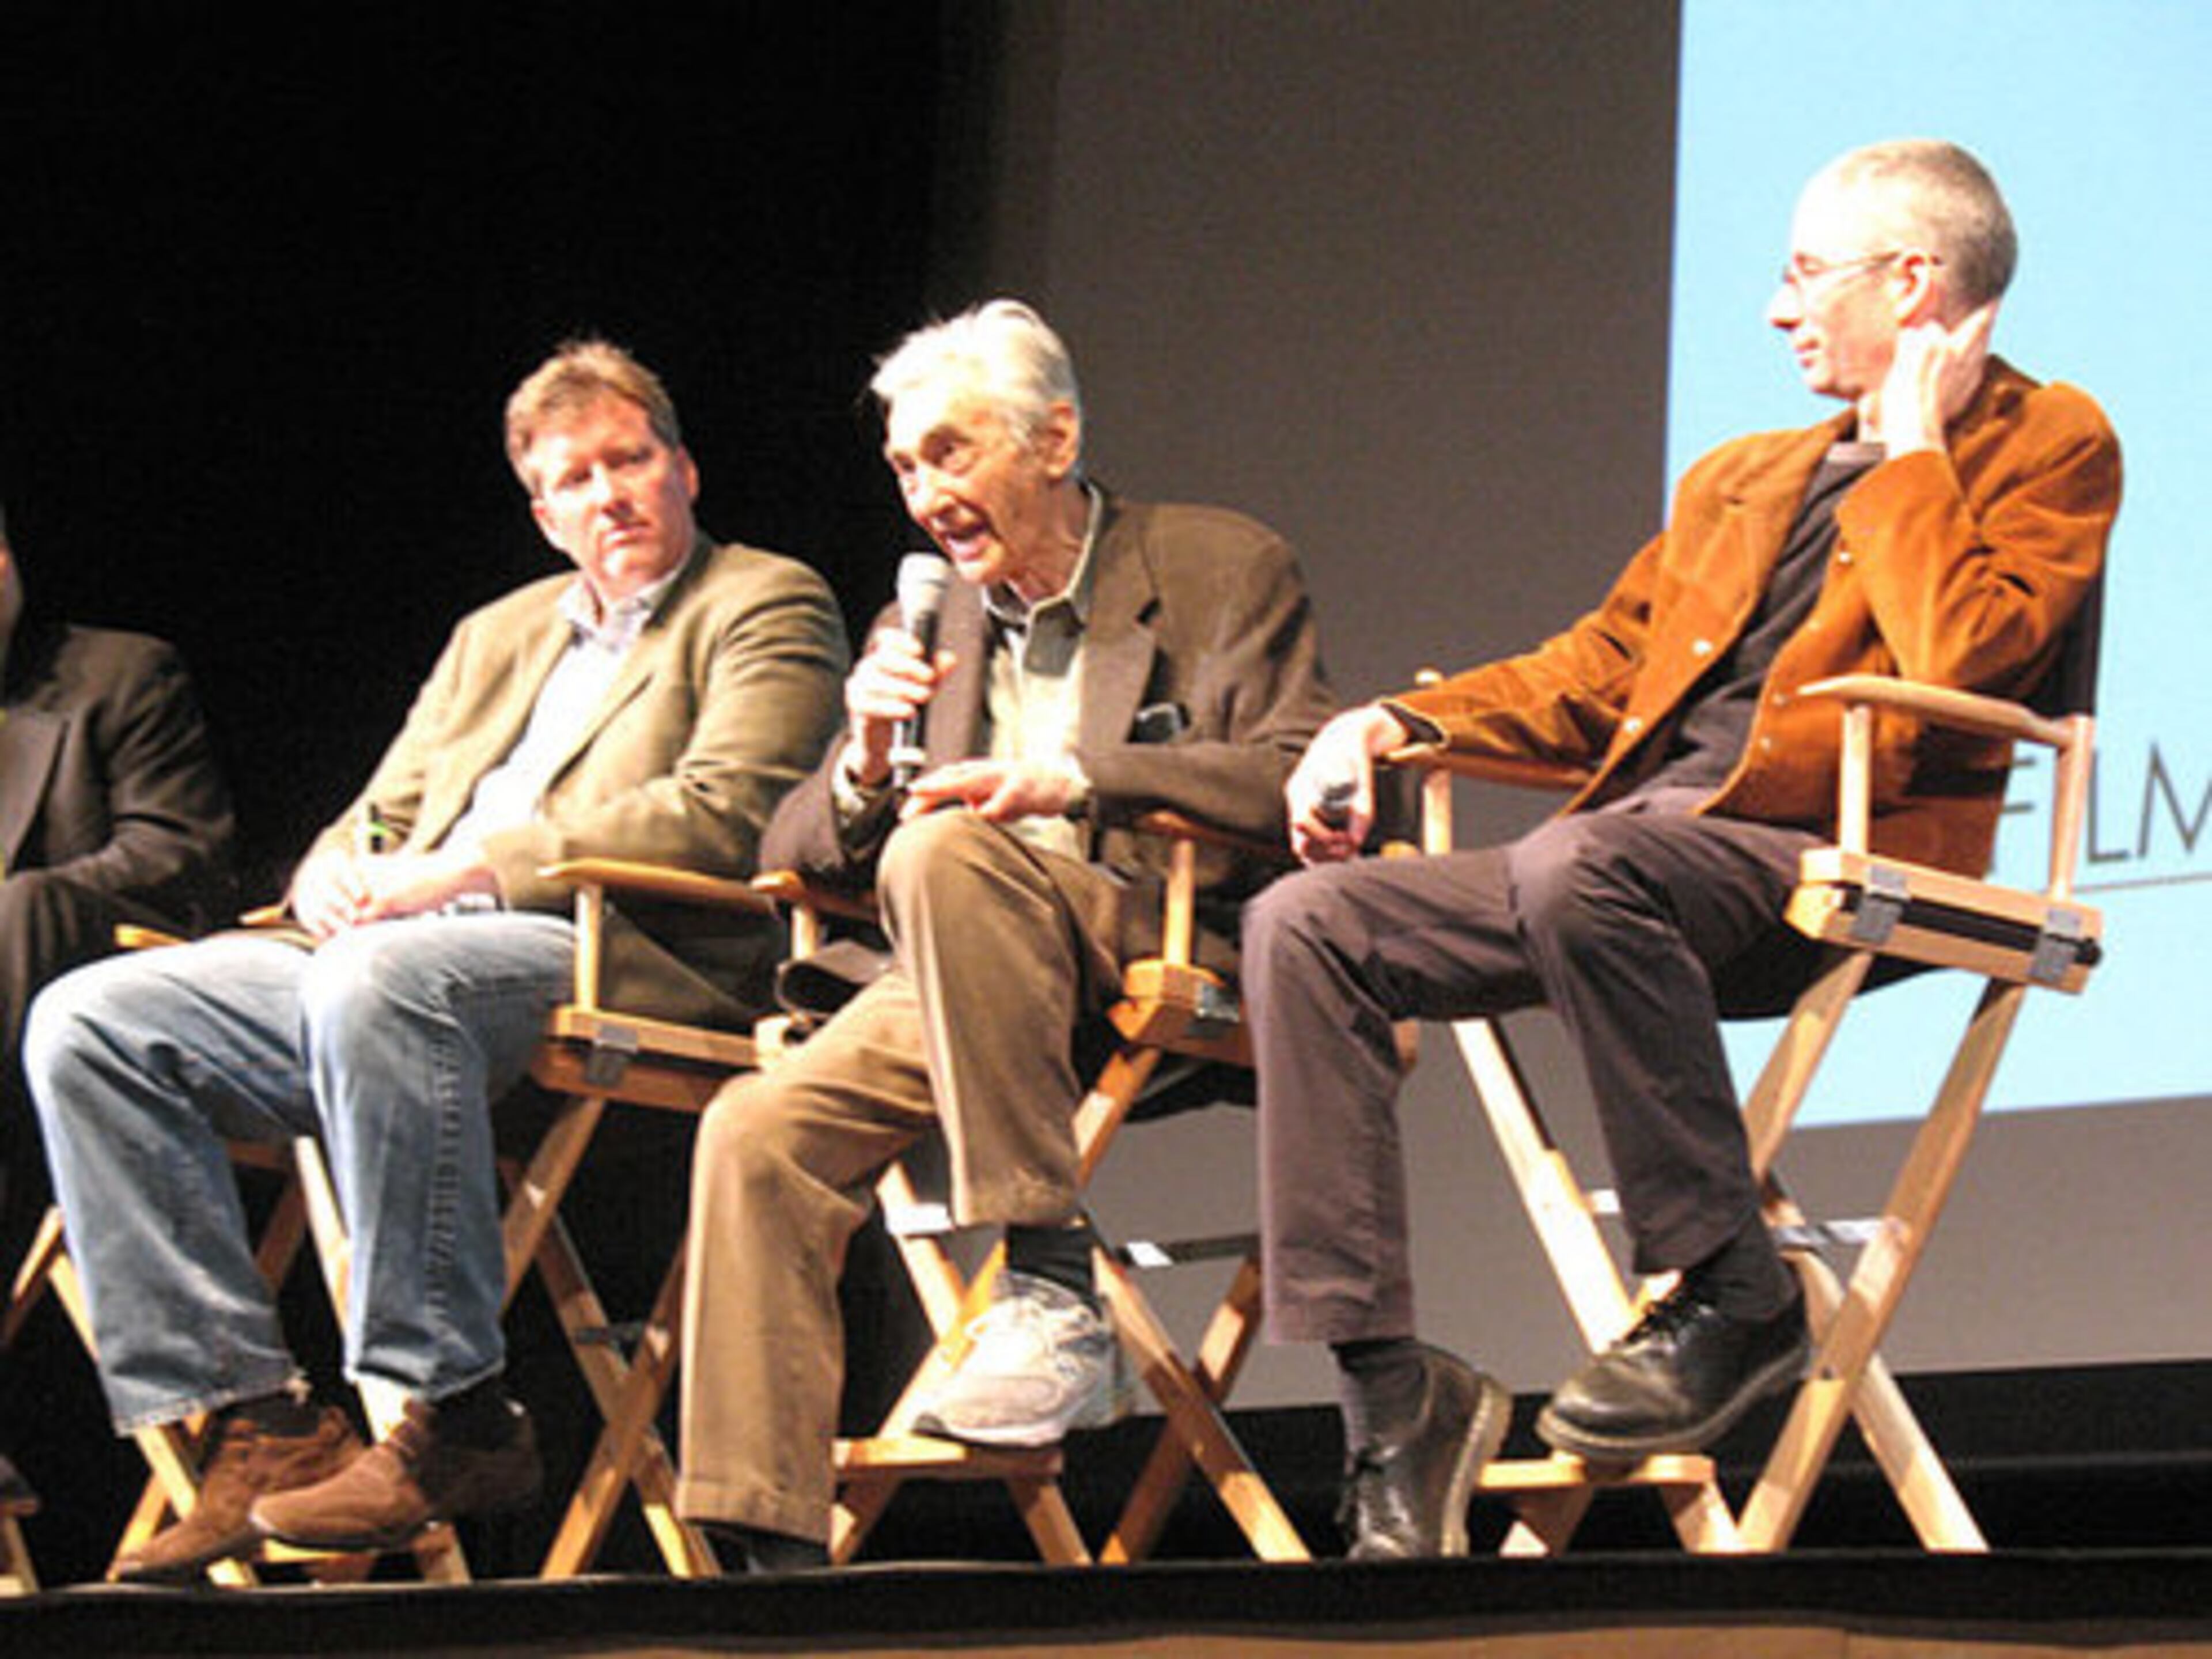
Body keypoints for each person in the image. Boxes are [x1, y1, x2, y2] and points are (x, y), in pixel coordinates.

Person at [1241, 138, 2121, 1559]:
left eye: (1802, 275)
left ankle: (1731, 1286)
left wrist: (1911, 453)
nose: (1778, 310)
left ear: (1914, 283)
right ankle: (1390, 1401)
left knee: (1580, 867)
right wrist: (1391, 722)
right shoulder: (1740, 475)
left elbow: (1972, 650)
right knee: (1309, 922)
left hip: (1837, 852)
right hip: (1641, 866)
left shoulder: (2051, 442)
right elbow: (1601, 669)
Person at [24, 340, 849, 1582]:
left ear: (682, 468)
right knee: (90, 1017)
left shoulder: (764, 599)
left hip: (611, 950)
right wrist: (331, 869)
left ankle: (452, 1410)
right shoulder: (498, 631)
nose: (608, 494)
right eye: (574, 479)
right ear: (542, 509)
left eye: (629, 461)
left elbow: (728, 814)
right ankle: (258, 1418)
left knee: (380, 981)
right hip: (401, 953)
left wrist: (465, 873)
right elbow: (383, 810)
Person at [675, 298, 1336, 1571]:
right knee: (753, 1137)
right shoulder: (930, 620)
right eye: (907, 468)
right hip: (958, 971)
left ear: (1055, 437)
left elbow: (1294, 773)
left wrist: (1077, 782)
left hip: (1144, 942)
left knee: (942, 848)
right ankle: (768, 1562)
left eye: (952, 452)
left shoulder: (1217, 565)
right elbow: (791, 846)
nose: (927, 496)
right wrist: (865, 758)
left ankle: (1046, 1279)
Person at [1, 495, 238, 1513]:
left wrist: (30, 907)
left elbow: (179, 853)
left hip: (74, 1001)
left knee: (21, 906)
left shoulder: (117, 673)